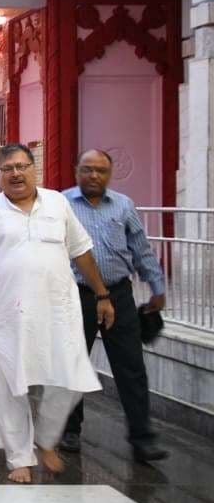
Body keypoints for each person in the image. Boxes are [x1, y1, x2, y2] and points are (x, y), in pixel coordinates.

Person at [0, 143, 115, 483]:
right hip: (7, 314)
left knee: (71, 378)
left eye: (22, 166)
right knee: (10, 385)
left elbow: (81, 251)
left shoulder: (57, 204)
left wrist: (102, 293)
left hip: (59, 310)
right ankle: (19, 459)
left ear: (34, 169)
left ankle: (46, 440)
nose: (16, 173)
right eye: (7, 168)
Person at [60, 148, 169, 462]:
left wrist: (157, 287)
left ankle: (142, 438)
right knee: (72, 364)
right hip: (75, 295)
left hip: (119, 295)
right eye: (87, 169)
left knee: (131, 367)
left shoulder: (123, 206)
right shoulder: (60, 205)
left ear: (109, 174)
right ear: (76, 170)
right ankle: (69, 430)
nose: (94, 176)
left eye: (101, 170)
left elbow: (141, 250)